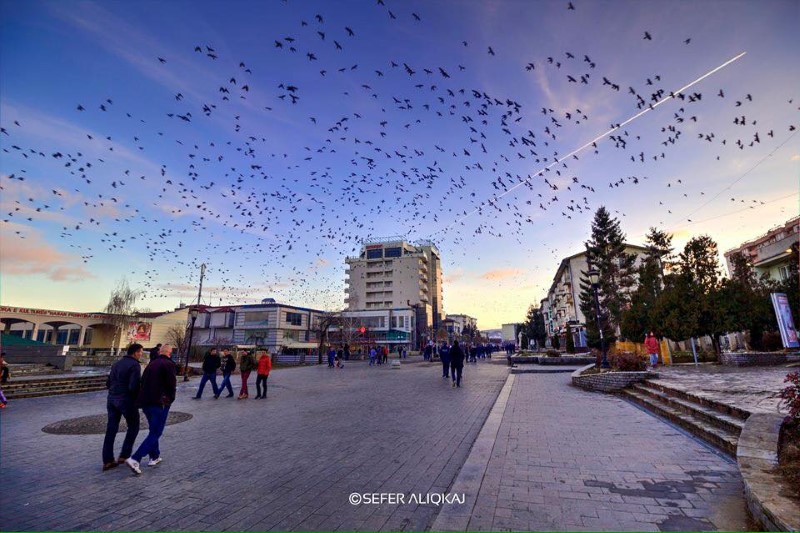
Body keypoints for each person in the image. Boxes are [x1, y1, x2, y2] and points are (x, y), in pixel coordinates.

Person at [125, 344, 176, 475]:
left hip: (146, 402)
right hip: (159, 403)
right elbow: (171, 385)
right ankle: (135, 458)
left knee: (153, 430)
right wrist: (170, 399)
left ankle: (154, 456)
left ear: (160, 352)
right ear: (170, 353)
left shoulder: (152, 364)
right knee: (156, 432)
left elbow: (143, 381)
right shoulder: (169, 365)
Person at [102, 343, 143, 471]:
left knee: (111, 428)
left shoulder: (117, 364)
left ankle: (107, 460)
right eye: (141, 352)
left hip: (112, 398)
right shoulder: (135, 365)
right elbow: (133, 386)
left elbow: (108, 383)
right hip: (126, 400)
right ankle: (124, 455)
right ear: (136, 352)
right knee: (134, 426)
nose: (141, 354)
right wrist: (137, 399)